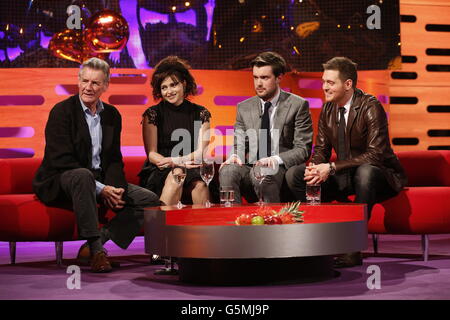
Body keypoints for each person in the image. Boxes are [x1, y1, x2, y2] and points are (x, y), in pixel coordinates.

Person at [33, 58, 160, 273]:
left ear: (105, 86)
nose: (88, 88)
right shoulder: (61, 112)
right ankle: (97, 252)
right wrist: (102, 190)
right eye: (85, 81)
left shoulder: (111, 115)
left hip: (98, 179)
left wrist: (115, 188)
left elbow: (113, 159)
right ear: (78, 81)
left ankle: (98, 241)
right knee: (83, 175)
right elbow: (60, 160)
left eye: (95, 83)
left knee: (150, 200)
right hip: (61, 179)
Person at [287, 56, 407, 267]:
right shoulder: (328, 109)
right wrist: (315, 168)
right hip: (347, 174)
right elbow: (322, 150)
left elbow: (375, 155)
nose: (324, 87)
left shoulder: (370, 107)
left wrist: (331, 167)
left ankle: (352, 247)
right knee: (295, 175)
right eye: (323, 81)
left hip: (380, 176)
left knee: (366, 172)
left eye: (330, 83)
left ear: (348, 84)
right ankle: (323, 238)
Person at [219, 51, 313, 203]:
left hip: (280, 168)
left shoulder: (298, 105)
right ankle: (234, 223)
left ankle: (271, 221)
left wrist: (275, 159)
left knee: (263, 170)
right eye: (255, 77)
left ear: (279, 78)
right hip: (251, 167)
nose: (258, 84)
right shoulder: (244, 107)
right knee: (228, 171)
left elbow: (303, 149)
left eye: (264, 78)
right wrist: (235, 155)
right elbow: (240, 143)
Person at [139, 56, 212, 206]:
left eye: (173, 85)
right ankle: (162, 228)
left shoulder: (201, 113)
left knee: (200, 185)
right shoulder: (152, 114)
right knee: (177, 175)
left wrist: (177, 161)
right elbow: (152, 154)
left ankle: (205, 228)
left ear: (184, 84)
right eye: (164, 87)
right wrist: (173, 164)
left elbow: (200, 153)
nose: (169, 91)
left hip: (192, 166)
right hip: (161, 167)